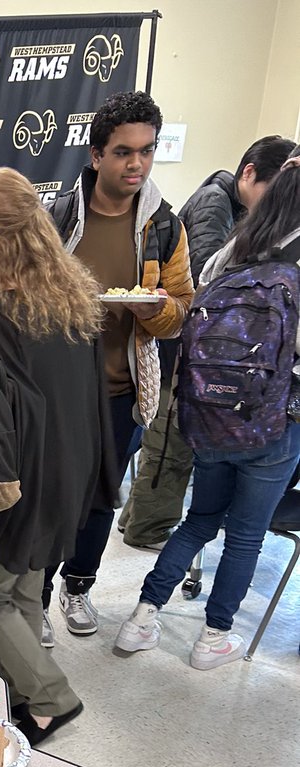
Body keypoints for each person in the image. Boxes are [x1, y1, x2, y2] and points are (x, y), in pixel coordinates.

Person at [115, 151, 300, 669]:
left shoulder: (233, 250)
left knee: (198, 520)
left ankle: (141, 619)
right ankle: (213, 637)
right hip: (272, 425)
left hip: (209, 414)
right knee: (245, 536)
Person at [0, 167, 117, 743]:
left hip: (18, 481)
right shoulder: (71, 302)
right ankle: (21, 691)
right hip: (68, 470)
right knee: (24, 585)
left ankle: (51, 697)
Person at [45, 91, 193, 640]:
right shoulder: (56, 218)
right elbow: (22, 294)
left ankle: (78, 586)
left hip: (122, 390)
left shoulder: (164, 228)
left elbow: (181, 310)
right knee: (50, 497)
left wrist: (154, 311)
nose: (137, 164)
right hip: (56, 390)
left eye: (146, 151)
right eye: (124, 152)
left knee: (101, 498)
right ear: (96, 155)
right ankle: (34, 598)